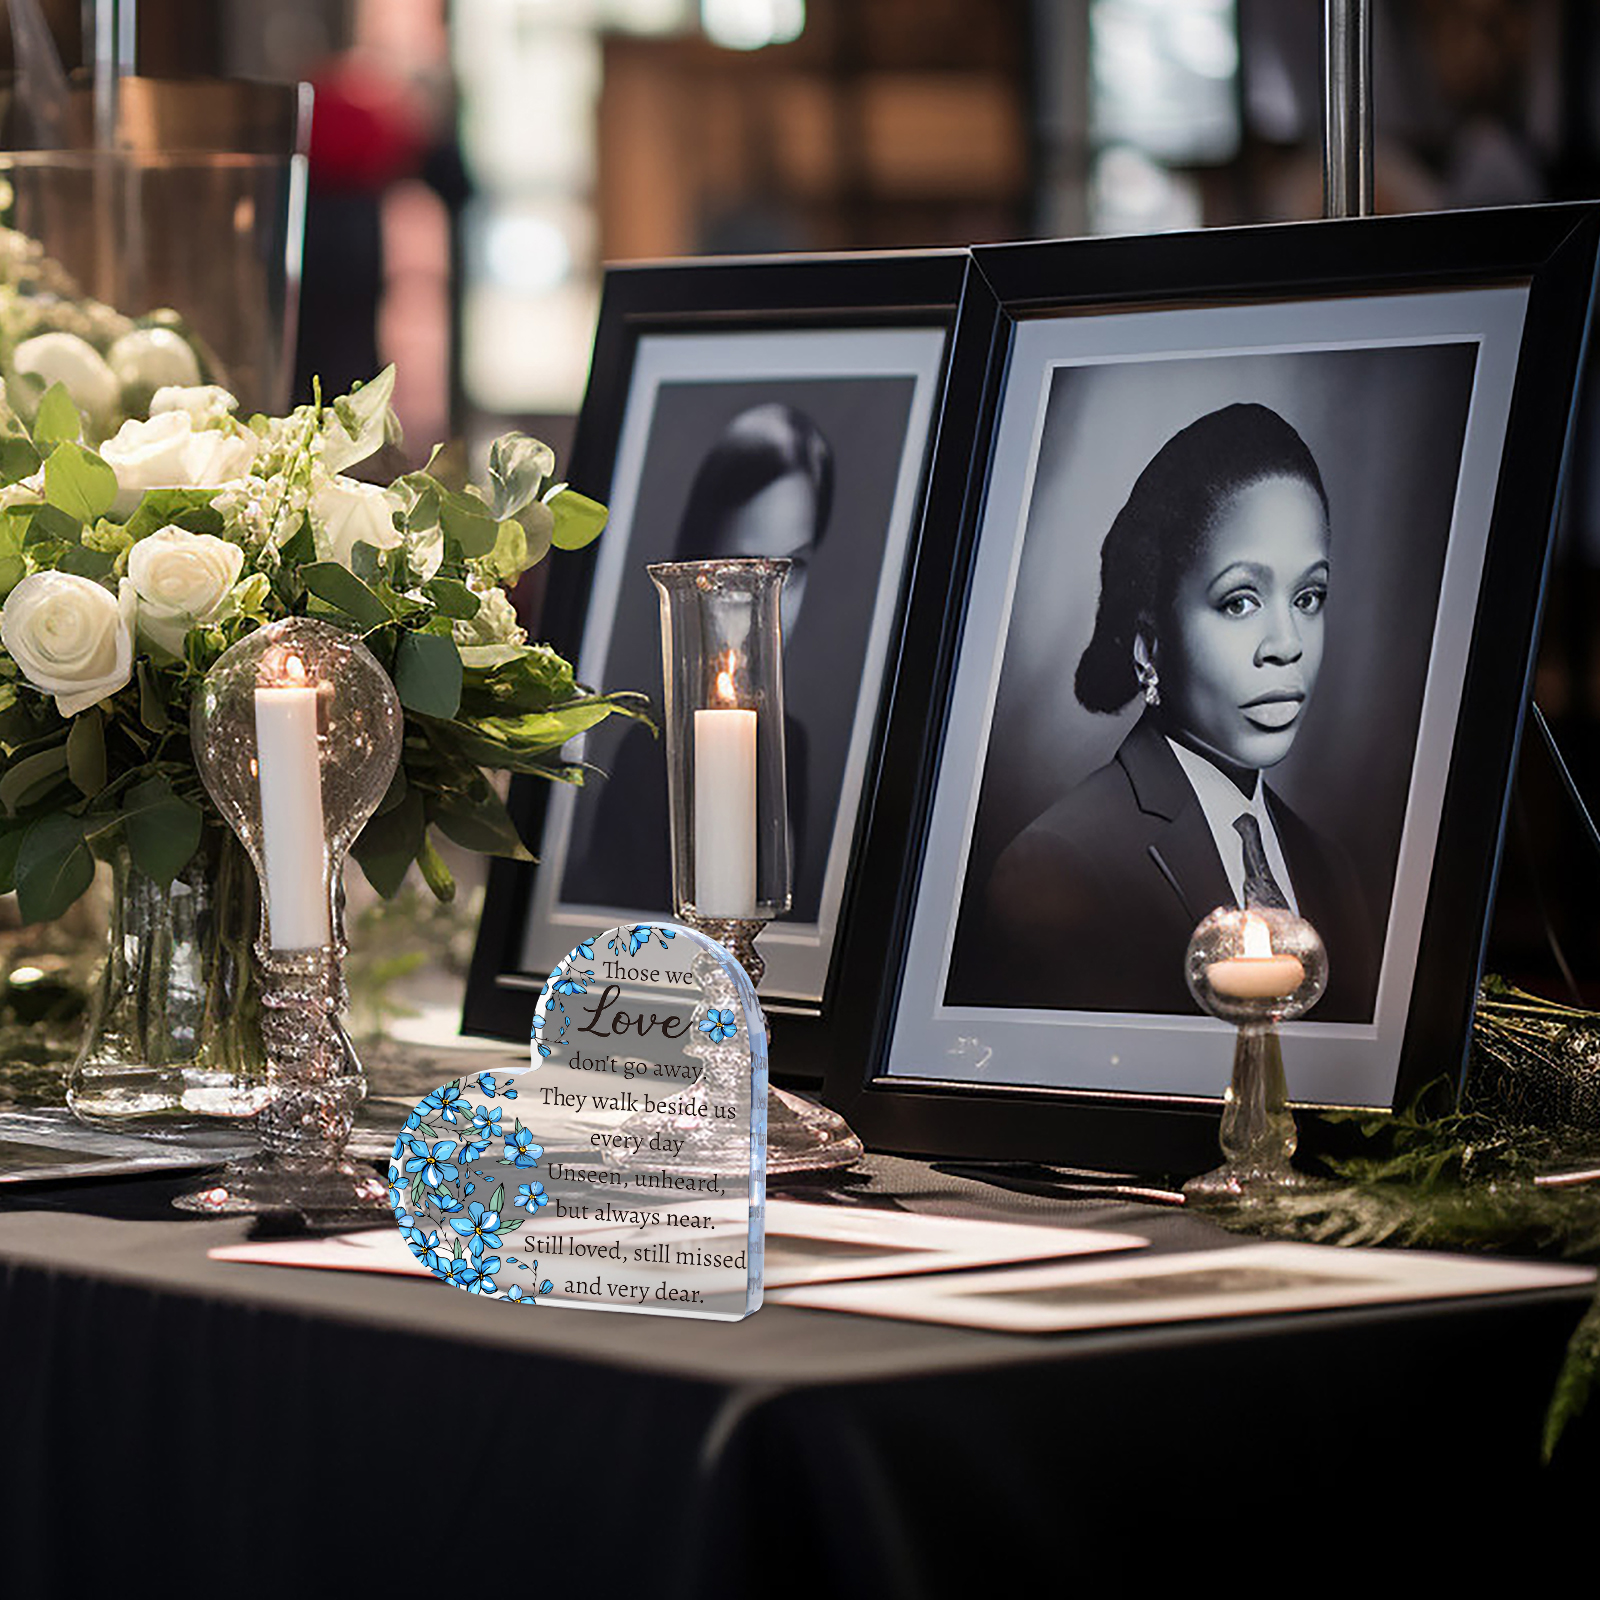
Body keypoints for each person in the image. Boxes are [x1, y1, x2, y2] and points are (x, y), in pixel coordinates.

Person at [958, 402, 1376, 1020]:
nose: (1287, 644)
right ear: (1150, 646)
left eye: (1308, 596)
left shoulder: (1332, 872)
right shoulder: (1057, 866)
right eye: (1239, 601)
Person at [561, 403, 832, 917]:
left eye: (792, 568)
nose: (767, 607)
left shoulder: (789, 746)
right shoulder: (647, 755)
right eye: (738, 573)